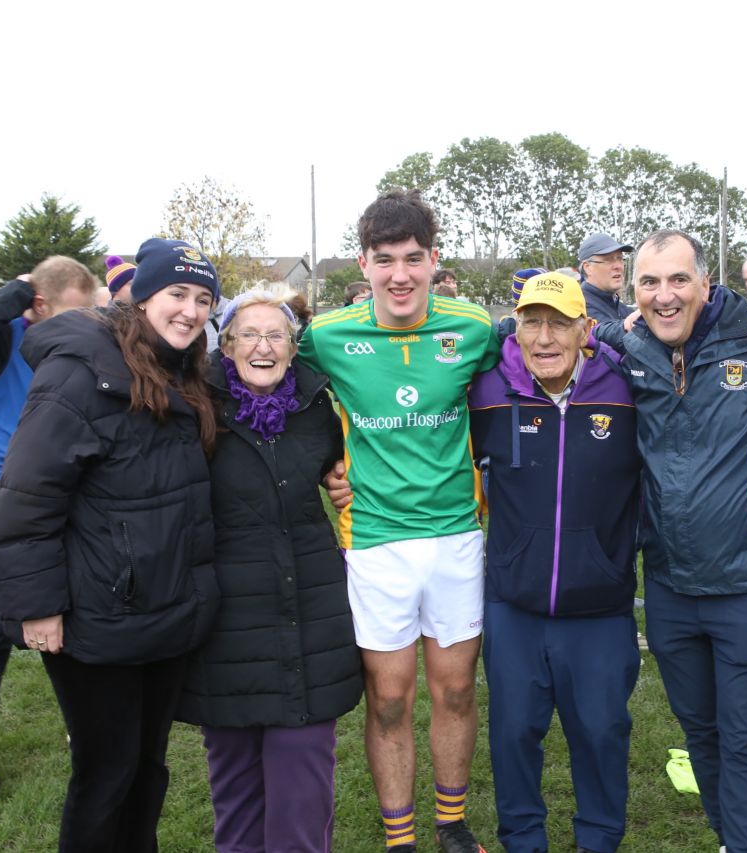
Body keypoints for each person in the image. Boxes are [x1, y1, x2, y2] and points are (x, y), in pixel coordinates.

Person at [0, 238, 223, 851]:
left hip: (164, 610)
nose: (190, 311)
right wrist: (35, 603)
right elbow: (29, 496)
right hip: (97, 617)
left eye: (203, 299)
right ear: (141, 297)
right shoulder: (79, 372)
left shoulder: (184, 369)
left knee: (148, 769)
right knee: (106, 775)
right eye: (177, 294)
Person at [594, 229, 747, 853]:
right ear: (633, 291)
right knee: (703, 736)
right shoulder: (632, 345)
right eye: (649, 283)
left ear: (705, 283)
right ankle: (733, 838)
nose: (665, 296)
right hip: (667, 585)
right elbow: (550, 332)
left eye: (678, 280)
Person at [299, 190, 499, 853]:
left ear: (434, 258)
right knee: (388, 697)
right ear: (364, 264)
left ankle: (450, 821)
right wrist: (326, 461)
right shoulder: (328, 336)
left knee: (457, 689)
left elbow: (515, 388)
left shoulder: (472, 326)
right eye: (384, 260)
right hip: (376, 539)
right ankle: (400, 836)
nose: (400, 275)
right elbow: (277, 395)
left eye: (413, 258)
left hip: (456, 534)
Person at [177, 285, 361, 853]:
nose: (264, 346)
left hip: (309, 620)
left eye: (276, 334)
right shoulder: (193, 409)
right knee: (235, 800)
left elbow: (350, 468)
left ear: (293, 345)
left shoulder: (317, 411)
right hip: (225, 626)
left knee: (303, 797)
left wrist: (347, 482)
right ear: (225, 344)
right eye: (249, 334)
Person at [468, 272, 641, 853]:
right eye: (531, 322)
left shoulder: (626, 387)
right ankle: (522, 841)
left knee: (602, 733)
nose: (544, 337)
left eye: (559, 323)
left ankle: (599, 840)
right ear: (514, 327)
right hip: (514, 602)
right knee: (513, 734)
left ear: (585, 330)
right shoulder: (487, 389)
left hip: (601, 604)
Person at [0, 256, 95, 796]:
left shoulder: (79, 343)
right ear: (37, 306)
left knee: (79, 622)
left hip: (70, 495)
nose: (80, 327)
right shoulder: (1, 338)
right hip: (4, 499)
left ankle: (85, 729)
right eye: (67, 314)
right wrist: (22, 288)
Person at [577, 232, 634, 322]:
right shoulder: (580, 306)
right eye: (608, 260)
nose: (618, 266)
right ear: (588, 268)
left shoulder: (619, 307)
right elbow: (611, 332)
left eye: (620, 258)